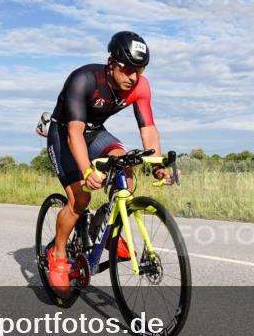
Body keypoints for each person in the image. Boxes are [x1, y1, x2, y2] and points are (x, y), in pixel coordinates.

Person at [43, 31, 175, 293]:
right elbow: (74, 133)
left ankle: (107, 222)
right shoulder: (84, 79)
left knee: (125, 167)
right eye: (127, 69)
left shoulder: (141, 86)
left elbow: (148, 129)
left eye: (139, 69)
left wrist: (157, 165)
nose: (133, 76)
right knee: (80, 199)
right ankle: (58, 254)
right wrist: (87, 170)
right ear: (112, 62)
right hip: (65, 132)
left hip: (96, 132)